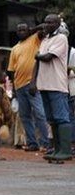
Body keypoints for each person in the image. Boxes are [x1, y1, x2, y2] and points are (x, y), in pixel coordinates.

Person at [31, 14, 73, 161]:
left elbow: (48, 57)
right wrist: (33, 82)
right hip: (44, 84)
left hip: (57, 85)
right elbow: (39, 61)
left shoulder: (61, 38)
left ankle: (66, 150)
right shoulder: (45, 40)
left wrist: (38, 55)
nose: (47, 24)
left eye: (51, 22)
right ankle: (57, 150)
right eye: (46, 22)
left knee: (61, 118)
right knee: (52, 119)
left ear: (57, 24)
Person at [7, 23, 50, 151]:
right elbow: (12, 70)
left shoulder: (35, 38)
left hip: (33, 84)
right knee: (25, 116)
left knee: (40, 114)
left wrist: (33, 29)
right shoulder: (14, 48)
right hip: (19, 86)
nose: (21, 31)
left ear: (28, 30)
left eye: (24, 29)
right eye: (19, 30)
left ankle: (46, 143)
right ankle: (32, 143)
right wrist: (14, 90)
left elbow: (45, 26)